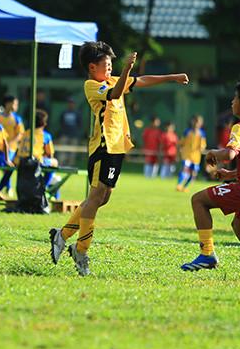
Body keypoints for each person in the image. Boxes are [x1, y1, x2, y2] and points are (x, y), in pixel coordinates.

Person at [48, 42, 189, 276]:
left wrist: (172, 77)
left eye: (113, 64)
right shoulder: (92, 85)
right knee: (94, 198)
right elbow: (114, 94)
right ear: (92, 67)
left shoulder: (114, 80)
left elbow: (141, 80)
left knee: (102, 198)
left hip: (117, 148)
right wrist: (126, 70)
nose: (111, 68)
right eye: (107, 65)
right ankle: (80, 250)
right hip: (102, 149)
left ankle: (61, 236)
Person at [180, 81, 240, 282]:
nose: (232, 102)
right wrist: (232, 175)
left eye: (235, 98)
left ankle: (207, 254)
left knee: (198, 200)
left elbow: (231, 154)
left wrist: (213, 152)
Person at [0, 94, 25, 196]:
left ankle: (6, 188)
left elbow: (20, 134)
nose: (16, 106)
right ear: (7, 104)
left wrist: (9, 144)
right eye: (14, 104)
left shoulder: (17, 119)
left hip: (11, 148)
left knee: (8, 167)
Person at [177, 115, 207, 191]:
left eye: (198, 122)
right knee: (184, 168)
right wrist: (180, 147)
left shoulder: (201, 133)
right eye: (195, 121)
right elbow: (182, 142)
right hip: (187, 154)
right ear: (192, 122)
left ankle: (185, 186)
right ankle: (179, 185)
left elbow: (203, 143)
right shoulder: (187, 131)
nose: (196, 123)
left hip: (196, 156)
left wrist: (202, 148)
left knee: (194, 172)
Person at [57, 96, 83, 167]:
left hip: (74, 135)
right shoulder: (64, 112)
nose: (71, 104)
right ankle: (60, 164)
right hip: (65, 134)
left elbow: (80, 123)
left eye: (72, 103)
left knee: (72, 151)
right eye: (69, 103)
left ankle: (69, 165)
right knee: (62, 149)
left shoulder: (77, 113)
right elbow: (61, 122)